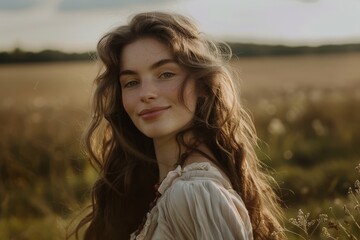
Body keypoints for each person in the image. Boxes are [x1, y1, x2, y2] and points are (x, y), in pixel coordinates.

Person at [71, 11, 285, 240]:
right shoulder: (158, 183)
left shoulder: (194, 193)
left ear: (201, 84)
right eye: (131, 82)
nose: (146, 94)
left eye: (165, 74)